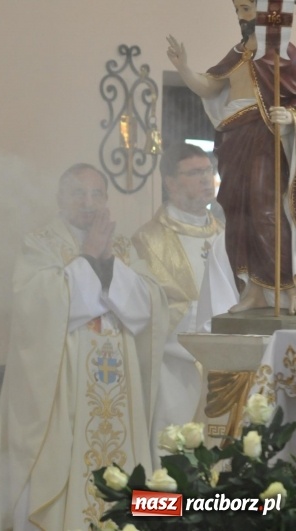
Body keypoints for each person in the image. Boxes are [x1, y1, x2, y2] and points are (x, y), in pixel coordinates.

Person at [0, 164, 167, 531]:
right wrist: (90, 257)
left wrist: (108, 262)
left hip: (118, 390)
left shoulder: (123, 246)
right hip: (65, 390)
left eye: (97, 194)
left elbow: (151, 304)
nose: (88, 203)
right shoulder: (40, 242)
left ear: (107, 200)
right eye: (78, 193)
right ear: (60, 198)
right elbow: (33, 305)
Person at [166, 0, 296, 314]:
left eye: (248, 8)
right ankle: (253, 288)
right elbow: (210, 87)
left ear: (267, 14)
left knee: (264, 207)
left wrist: (291, 115)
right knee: (238, 211)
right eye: (238, 9)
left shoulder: (283, 56)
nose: (242, 15)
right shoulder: (237, 54)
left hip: (264, 134)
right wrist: (183, 67)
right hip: (233, 136)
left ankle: (284, 287)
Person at [132, 143, 224, 463]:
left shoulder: (228, 237)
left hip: (225, 375)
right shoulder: (148, 240)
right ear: (170, 182)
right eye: (195, 173)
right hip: (175, 374)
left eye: (209, 171)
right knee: (175, 468)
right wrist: (205, 320)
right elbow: (145, 309)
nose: (206, 179)